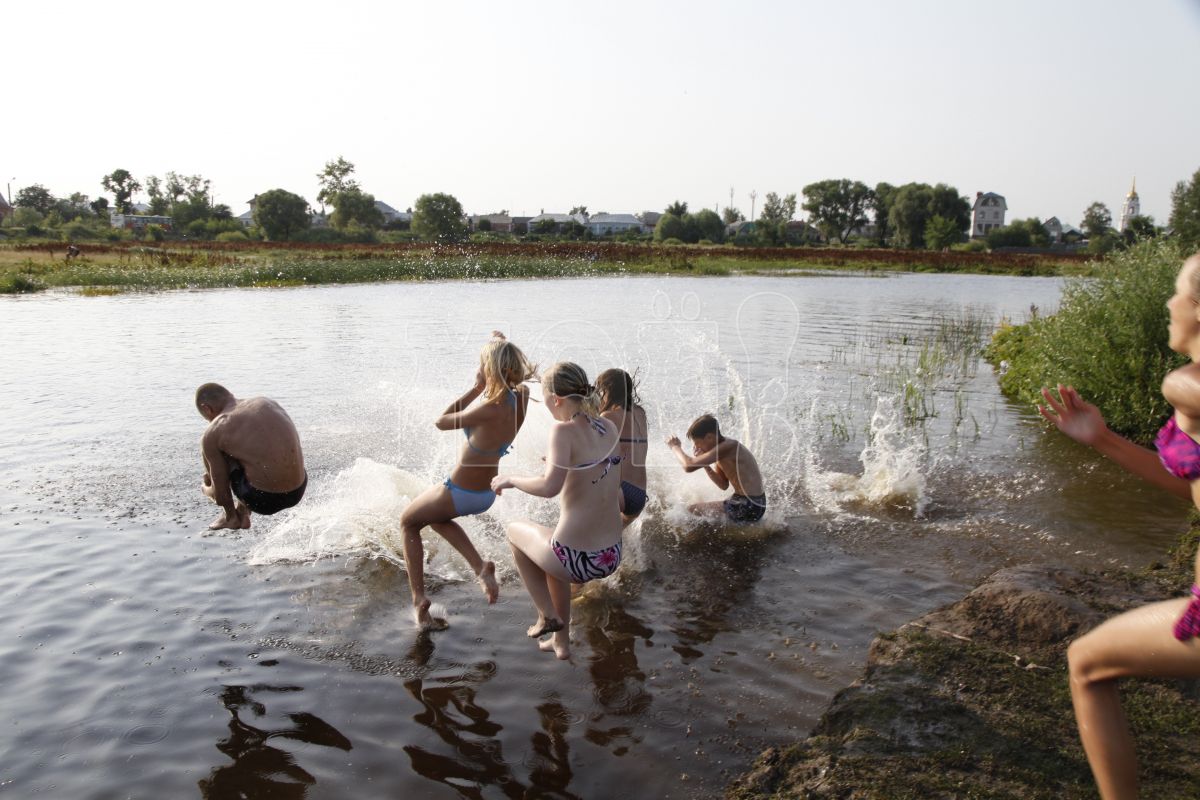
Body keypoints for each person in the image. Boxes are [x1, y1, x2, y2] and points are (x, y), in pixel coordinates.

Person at [1042, 252, 1200, 800]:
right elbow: (1192, 488)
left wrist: (1181, 388)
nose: (1168, 301)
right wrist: (1102, 439)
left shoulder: (1188, 386)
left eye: (1179, 291)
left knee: (1086, 663)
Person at [399, 332, 536, 630]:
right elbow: (512, 373)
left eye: (482, 365)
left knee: (408, 523)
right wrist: (501, 345)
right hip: (484, 494)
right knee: (435, 518)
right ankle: (480, 568)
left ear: (489, 371)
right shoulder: (522, 399)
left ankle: (419, 598)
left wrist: (476, 388)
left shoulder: (487, 410)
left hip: (460, 490)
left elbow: (442, 421)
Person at [491, 362, 623, 660]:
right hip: (611, 555)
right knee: (554, 553)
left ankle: (545, 615)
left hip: (577, 562)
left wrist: (510, 479)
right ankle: (560, 643)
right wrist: (556, 463)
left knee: (514, 532)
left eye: (545, 397)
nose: (545, 405)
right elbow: (600, 477)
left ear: (558, 400)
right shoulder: (608, 426)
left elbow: (550, 488)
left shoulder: (562, 431)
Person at [196, 383, 307, 531]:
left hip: (263, 499)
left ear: (206, 409)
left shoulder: (216, 429)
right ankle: (243, 512)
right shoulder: (265, 402)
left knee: (213, 448)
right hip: (299, 488)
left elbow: (220, 496)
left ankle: (231, 517)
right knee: (251, 450)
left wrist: (206, 488)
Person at [666, 414, 766, 523]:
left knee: (692, 510)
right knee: (706, 514)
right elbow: (723, 485)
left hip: (749, 504)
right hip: (751, 503)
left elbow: (688, 466)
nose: (697, 448)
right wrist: (705, 465)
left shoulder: (729, 446)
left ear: (709, 437)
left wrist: (675, 446)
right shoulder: (721, 450)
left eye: (698, 444)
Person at [596, 368, 649, 526]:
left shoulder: (608, 416)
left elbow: (588, 445)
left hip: (621, 490)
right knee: (612, 536)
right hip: (640, 495)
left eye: (600, 390)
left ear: (607, 390)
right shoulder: (640, 413)